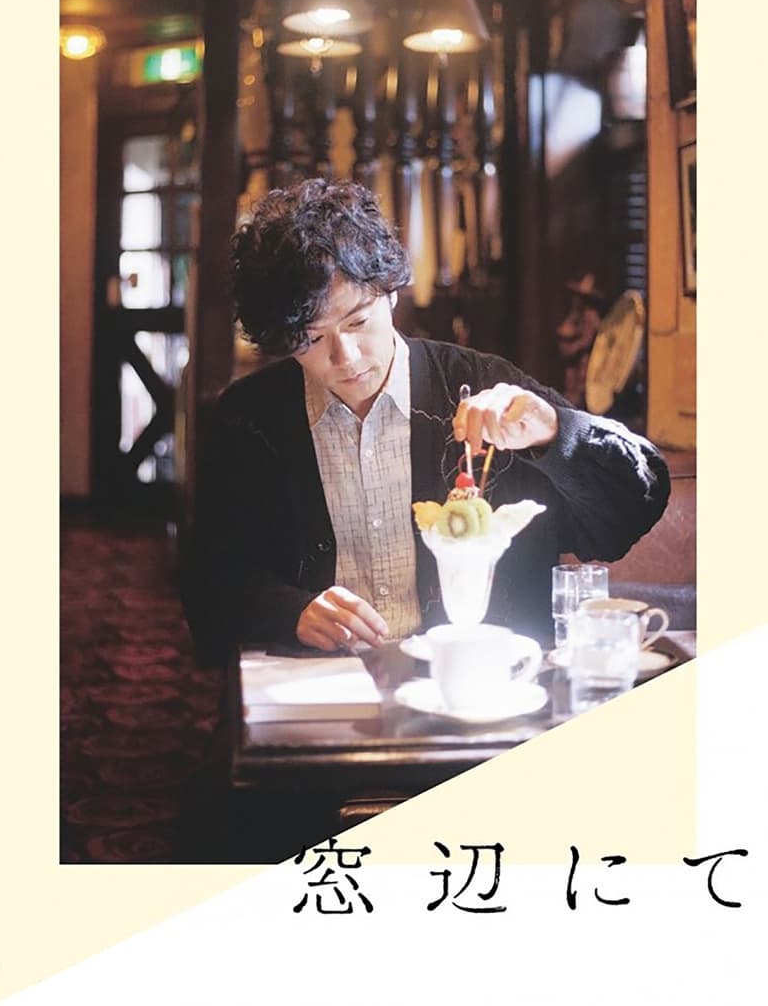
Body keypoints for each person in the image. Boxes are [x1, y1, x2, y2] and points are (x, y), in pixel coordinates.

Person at [184, 178, 670, 668]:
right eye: (311, 339)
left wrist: (555, 432)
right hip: (320, 682)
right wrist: (289, 611)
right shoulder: (250, 421)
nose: (346, 357)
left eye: (357, 321)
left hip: (480, 681)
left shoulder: (482, 385)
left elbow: (632, 510)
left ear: (391, 291)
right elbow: (209, 589)